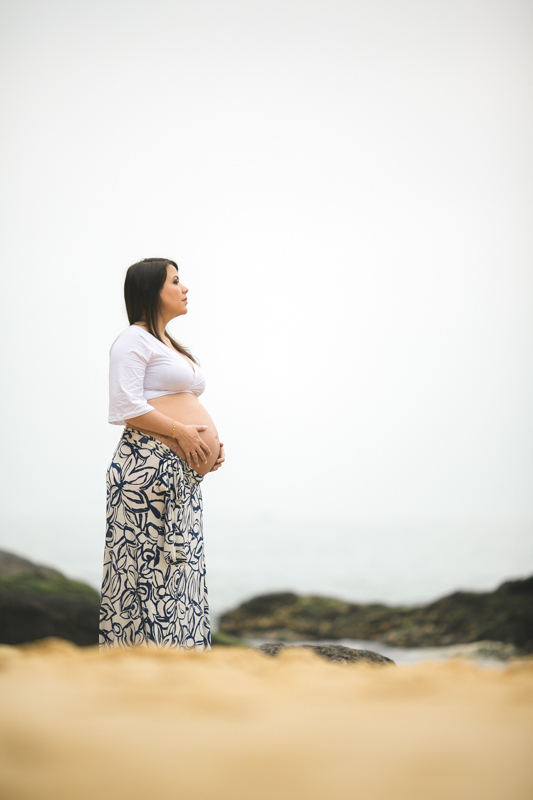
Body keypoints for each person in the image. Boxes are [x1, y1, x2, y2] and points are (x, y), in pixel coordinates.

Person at [99, 257, 225, 651]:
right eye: (175, 281)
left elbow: (179, 402)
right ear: (151, 290)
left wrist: (209, 447)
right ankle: (140, 663)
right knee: (146, 569)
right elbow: (124, 406)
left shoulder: (165, 343)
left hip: (176, 474)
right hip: (145, 471)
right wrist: (183, 433)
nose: (184, 288)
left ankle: (179, 660)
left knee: (178, 569)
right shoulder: (132, 339)